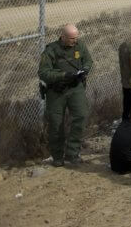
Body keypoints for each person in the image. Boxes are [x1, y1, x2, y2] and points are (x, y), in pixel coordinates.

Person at [38, 23, 93, 167]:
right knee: (56, 124)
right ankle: (57, 156)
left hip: (75, 88)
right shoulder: (51, 50)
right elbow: (43, 73)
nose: (74, 41)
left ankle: (72, 153)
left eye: (76, 37)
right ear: (62, 37)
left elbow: (88, 60)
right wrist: (63, 75)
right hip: (56, 92)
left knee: (81, 116)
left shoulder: (79, 46)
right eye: (71, 38)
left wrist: (85, 70)